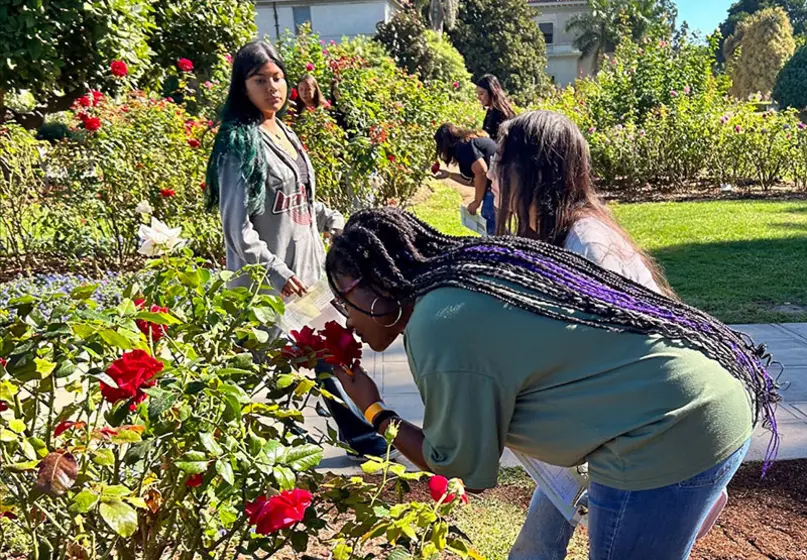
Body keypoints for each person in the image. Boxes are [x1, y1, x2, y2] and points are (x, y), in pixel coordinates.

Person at [324, 207, 778, 560]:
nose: (346, 317)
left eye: (345, 299)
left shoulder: (436, 326)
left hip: (669, 433)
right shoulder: (465, 278)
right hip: (702, 401)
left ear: (380, 282)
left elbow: (462, 470)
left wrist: (374, 411)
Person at [490, 111, 725, 559]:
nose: (493, 172)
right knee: (534, 547)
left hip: (654, 435)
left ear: (533, 169)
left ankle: (689, 500)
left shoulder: (588, 246)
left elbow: (621, 357)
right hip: (617, 429)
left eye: (503, 159)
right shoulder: (558, 237)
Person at [204, 39, 391, 460]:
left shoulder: (285, 131)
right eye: (259, 80)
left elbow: (302, 201)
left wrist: (335, 222)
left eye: (277, 78)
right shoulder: (239, 144)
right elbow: (236, 228)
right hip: (269, 285)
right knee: (269, 370)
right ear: (242, 87)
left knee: (331, 353)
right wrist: (274, 271)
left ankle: (361, 433)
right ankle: (243, 450)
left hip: (307, 275)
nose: (272, 88)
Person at [434, 123, 497, 235]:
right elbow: (474, 182)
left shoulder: (462, 147)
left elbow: (481, 171)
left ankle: (500, 249)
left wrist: (477, 201)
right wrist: (449, 175)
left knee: (490, 224)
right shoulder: (469, 142)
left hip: (497, 185)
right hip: (503, 182)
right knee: (496, 225)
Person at [475, 74, 516, 140]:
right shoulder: (490, 111)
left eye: (481, 93)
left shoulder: (503, 114)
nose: (478, 97)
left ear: (492, 92)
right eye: (477, 94)